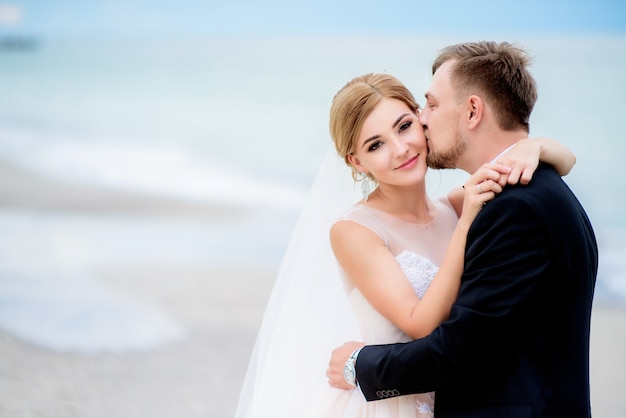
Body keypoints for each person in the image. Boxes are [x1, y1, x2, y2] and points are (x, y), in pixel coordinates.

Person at [235, 71, 576, 418]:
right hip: (390, 404)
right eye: (375, 145)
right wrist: (465, 226)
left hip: (454, 398)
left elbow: (565, 160)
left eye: (404, 126)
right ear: (356, 161)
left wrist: (533, 146)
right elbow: (419, 323)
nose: (400, 149)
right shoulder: (355, 230)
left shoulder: (455, 205)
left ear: (422, 121)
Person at [327, 42, 598, 417]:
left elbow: (454, 349)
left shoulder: (492, 207)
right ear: (357, 161)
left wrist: (359, 364)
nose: (418, 127)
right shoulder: (482, 201)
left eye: (421, 114)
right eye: (376, 145)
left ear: (472, 111)